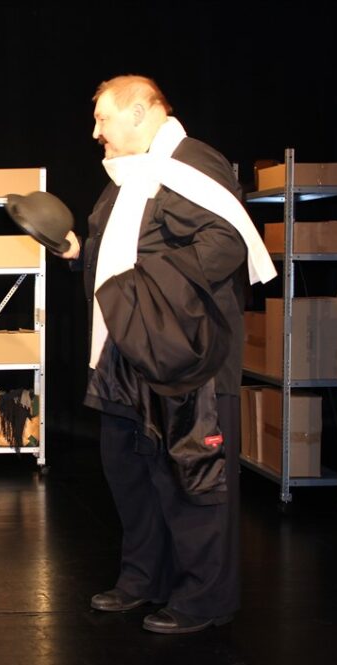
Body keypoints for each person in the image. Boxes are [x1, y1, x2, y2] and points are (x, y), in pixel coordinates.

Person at [59, 75, 275, 634]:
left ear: (139, 112)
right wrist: (80, 252)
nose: (96, 132)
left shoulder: (192, 164)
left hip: (184, 359)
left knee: (191, 477)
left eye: (103, 119)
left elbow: (225, 245)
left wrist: (150, 297)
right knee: (130, 470)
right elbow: (124, 254)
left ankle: (204, 599)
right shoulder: (126, 178)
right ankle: (142, 580)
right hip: (124, 354)